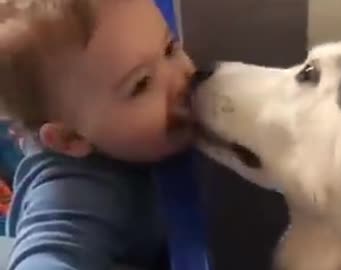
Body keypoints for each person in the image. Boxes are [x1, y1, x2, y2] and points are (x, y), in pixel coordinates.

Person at [0, 0, 200, 269]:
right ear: (70, 139)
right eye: (141, 84)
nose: (183, 76)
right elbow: (42, 259)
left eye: (169, 48)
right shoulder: (77, 190)